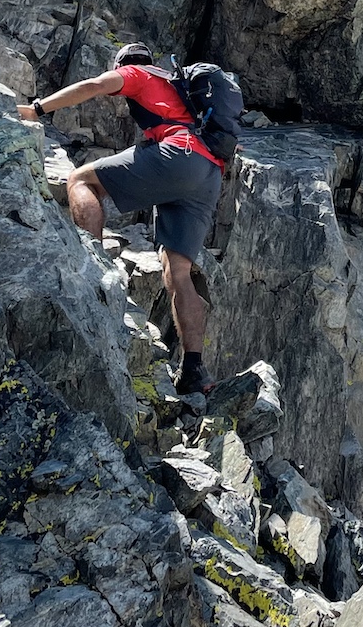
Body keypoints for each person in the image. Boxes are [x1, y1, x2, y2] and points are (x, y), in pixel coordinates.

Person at [19, 42, 223, 395]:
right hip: (208, 172)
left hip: (179, 154)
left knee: (80, 180)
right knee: (178, 272)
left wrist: (38, 108)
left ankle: (94, 269)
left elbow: (93, 86)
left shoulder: (137, 73)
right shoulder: (178, 86)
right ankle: (194, 370)